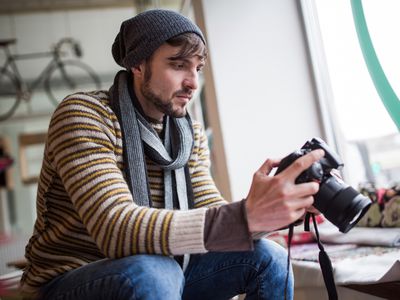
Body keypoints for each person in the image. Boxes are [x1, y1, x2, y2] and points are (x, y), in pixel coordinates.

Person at [20, 9, 324, 300]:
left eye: (197, 68)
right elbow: (115, 229)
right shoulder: (85, 115)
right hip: (68, 279)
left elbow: (216, 219)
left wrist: (280, 209)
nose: (193, 82)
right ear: (138, 64)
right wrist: (244, 216)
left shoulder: (186, 131)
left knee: (269, 257)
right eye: (178, 65)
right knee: (153, 270)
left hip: (164, 270)